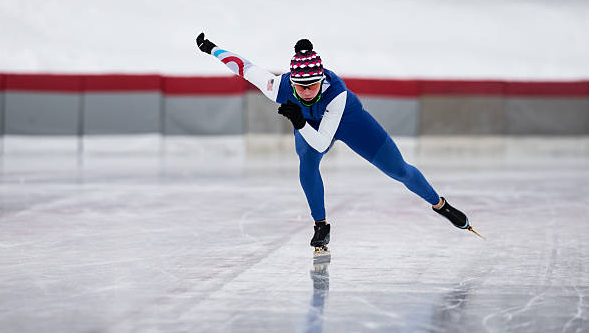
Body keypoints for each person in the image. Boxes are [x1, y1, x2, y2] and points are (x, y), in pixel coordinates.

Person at [195, 33, 475, 249]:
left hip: (349, 121)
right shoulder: (278, 86)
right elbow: (244, 67)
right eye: (301, 86)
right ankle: (321, 225)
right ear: (292, 82)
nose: (307, 92)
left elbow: (322, 142)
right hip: (310, 126)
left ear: (322, 79)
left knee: (399, 170)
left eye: (313, 85)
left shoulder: (336, 94)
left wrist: (299, 122)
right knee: (307, 164)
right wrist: (212, 49)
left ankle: (440, 204)